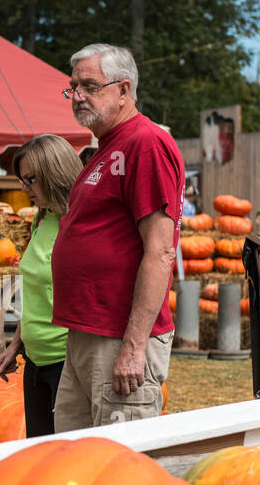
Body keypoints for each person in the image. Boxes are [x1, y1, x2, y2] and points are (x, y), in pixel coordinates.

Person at [51, 43, 185, 428]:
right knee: (74, 463)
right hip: (86, 336)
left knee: (116, 468)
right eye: (73, 87)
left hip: (119, 339)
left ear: (124, 90)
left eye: (90, 86)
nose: (77, 97)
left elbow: (160, 252)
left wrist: (133, 345)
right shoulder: (103, 150)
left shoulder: (146, 143)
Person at [0, 135, 83, 436]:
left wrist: (75, 372)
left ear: (55, 175)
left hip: (65, 363)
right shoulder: (41, 220)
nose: (23, 188)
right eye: (21, 179)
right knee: (36, 452)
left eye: (30, 179)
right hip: (34, 362)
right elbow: (36, 294)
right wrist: (16, 344)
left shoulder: (79, 226)